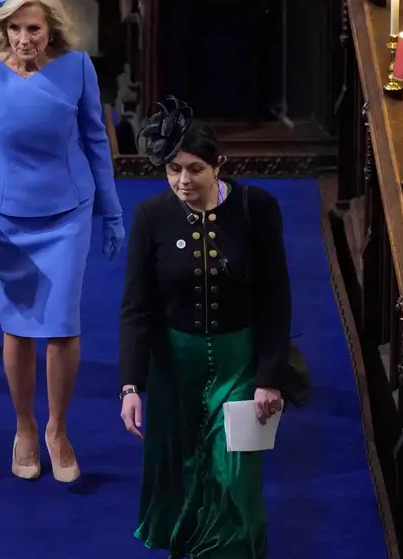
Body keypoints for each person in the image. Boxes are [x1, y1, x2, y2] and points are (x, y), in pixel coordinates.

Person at [0, 0, 126, 483]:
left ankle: (57, 430)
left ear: (52, 28)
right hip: (6, 217)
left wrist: (112, 209)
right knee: (17, 328)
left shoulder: (78, 69)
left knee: (62, 325)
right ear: (1, 29)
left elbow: (96, 142)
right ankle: (24, 426)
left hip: (67, 213)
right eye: (14, 28)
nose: (24, 38)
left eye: (34, 28)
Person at [118, 100, 291, 558]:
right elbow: (136, 308)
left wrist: (270, 377)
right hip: (174, 371)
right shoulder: (151, 216)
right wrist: (131, 386)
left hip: (240, 366)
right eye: (173, 169)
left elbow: (277, 299)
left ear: (220, 165)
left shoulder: (258, 208)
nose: (183, 181)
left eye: (195, 168)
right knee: (184, 478)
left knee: (234, 479)